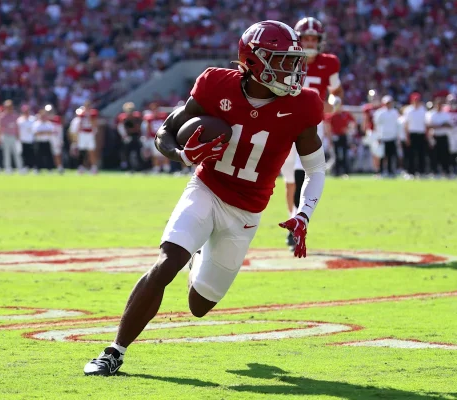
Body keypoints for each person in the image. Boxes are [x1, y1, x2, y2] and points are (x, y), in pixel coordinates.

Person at [84, 20, 325, 376]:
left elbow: (316, 169)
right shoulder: (215, 84)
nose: (291, 69)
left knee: (200, 305)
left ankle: (197, 259)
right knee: (167, 262)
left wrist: (304, 214)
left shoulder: (303, 105)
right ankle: (113, 352)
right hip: (207, 188)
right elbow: (166, 132)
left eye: (293, 60)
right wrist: (182, 155)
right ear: (253, 61)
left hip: (246, 211)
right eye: (282, 60)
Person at [280, 17, 342, 250]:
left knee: (302, 171)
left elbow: (336, 91)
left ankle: (298, 222)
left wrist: (334, 103)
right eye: (305, 38)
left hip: (312, 123)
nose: (309, 42)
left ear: (320, 40)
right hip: (285, 121)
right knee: (289, 180)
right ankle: (293, 217)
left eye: (313, 39)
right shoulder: (286, 59)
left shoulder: (329, 63)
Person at [372, 95, 400, 176]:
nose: (388, 104)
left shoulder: (395, 112)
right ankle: (381, 171)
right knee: (382, 155)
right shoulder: (379, 112)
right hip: (383, 136)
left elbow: (397, 125)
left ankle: (390, 171)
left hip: (392, 136)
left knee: (391, 155)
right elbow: (376, 125)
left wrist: (397, 135)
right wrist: (378, 136)